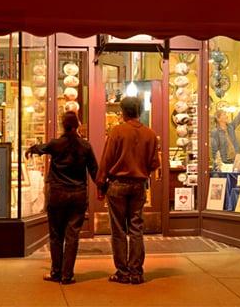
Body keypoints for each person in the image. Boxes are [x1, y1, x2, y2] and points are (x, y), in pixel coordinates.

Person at [25, 111, 98, 285]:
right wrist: (102, 188)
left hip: (57, 193)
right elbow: (94, 171)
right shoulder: (85, 146)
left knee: (56, 234)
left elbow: (40, 148)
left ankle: (56, 272)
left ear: (62, 125)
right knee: (72, 235)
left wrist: (30, 150)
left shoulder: (56, 144)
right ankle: (68, 275)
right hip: (78, 194)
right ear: (77, 125)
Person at [96, 96, 160, 285]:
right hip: (139, 185)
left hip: (117, 185)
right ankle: (136, 272)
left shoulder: (117, 131)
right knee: (136, 228)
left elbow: (106, 160)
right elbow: (154, 163)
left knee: (118, 230)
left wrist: (101, 185)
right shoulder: (149, 134)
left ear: (123, 112)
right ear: (139, 112)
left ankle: (122, 272)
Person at [210, 100, 240, 166]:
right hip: (224, 162)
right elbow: (214, 150)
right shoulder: (215, 132)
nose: (227, 116)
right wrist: (217, 165)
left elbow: (239, 117)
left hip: (236, 159)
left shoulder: (230, 127)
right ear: (218, 119)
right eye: (224, 114)